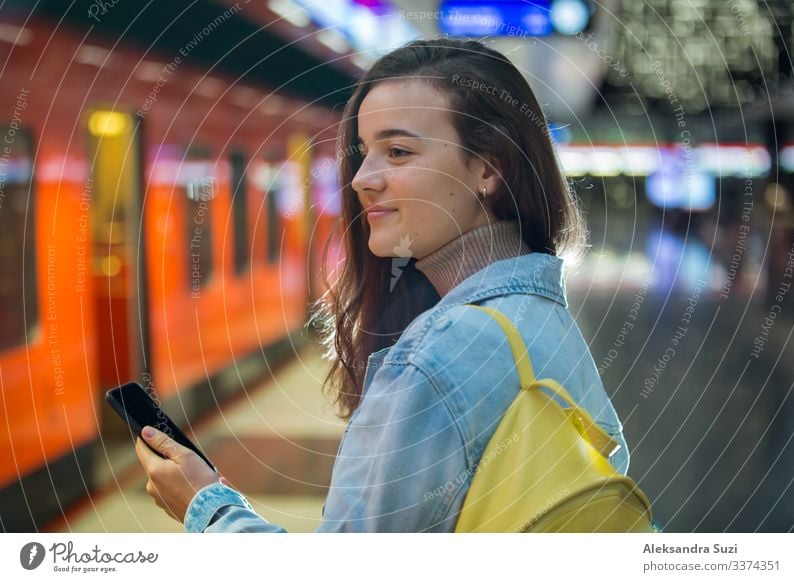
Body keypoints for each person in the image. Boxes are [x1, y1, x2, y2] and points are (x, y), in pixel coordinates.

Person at [135, 37, 630, 532]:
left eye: (397, 151)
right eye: (364, 152)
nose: (361, 179)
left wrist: (207, 507)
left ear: (489, 168)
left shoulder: (440, 353)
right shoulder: (543, 319)